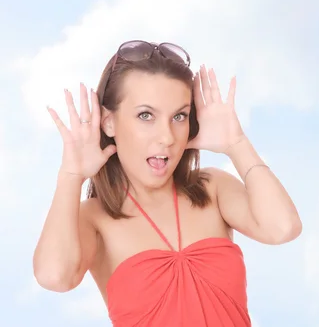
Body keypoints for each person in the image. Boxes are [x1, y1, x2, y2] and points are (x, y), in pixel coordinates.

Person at [32, 40, 302, 326]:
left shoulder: (213, 188)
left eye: (179, 116)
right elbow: (54, 276)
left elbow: (283, 228)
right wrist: (71, 176)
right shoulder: (94, 218)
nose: (167, 137)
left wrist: (237, 143)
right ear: (109, 122)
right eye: (146, 115)